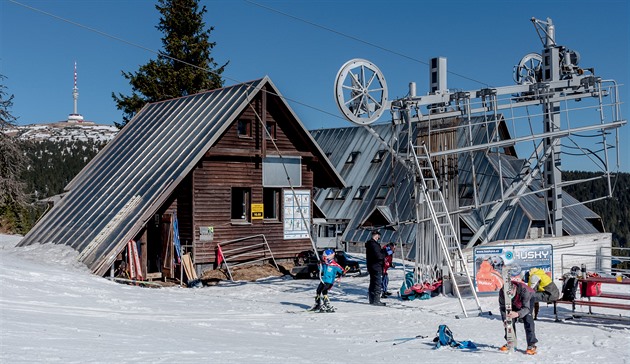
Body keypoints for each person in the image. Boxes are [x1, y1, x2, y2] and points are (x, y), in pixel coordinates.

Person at [498, 271, 538, 355]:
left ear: (514, 289)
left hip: (528, 300)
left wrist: (517, 314)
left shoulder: (524, 291)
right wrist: (505, 319)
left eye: (510, 294)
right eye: (507, 295)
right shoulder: (502, 292)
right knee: (509, 321)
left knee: (528, 320)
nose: (509, 296)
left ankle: (531, 344)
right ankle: (511, 342)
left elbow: (526, 308)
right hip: (513, 303)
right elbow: (502, 308)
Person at [365, 229, 386, 306]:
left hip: (371, 266)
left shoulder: (370, 244)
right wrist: (384, 253)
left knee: (373, 283)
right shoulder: (374, 245)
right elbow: (379, 256)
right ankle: (376, 300)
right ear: (377, 235)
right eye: (378, 236)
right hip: (376, 266)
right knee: (377, 283)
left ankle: (372, 299)